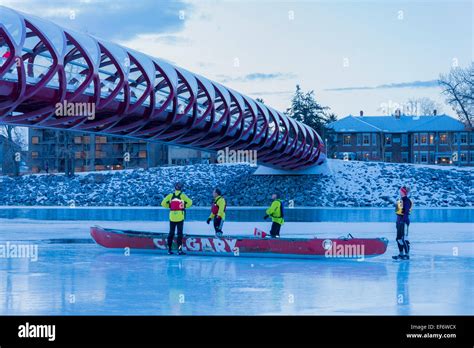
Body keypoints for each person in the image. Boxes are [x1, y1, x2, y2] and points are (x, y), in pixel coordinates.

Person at [161, 182, 192, 255]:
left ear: (174, 188)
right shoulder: (183, 196)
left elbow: (163, 203)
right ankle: (179, 250)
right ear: (181, 188)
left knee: (171, 233)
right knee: (179, 234)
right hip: (180, 217)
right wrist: (183, 206)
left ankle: (169, 250)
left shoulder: (170, 195)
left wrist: (170, 206)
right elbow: (190, 203)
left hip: (172, 217)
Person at [392, 186, 413, 260]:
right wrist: (398, 222)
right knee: (398, 238)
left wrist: (403, 221)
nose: (400, 192)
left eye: (401, 191)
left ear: (404, 192)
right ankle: (401, 254)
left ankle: (407, 255)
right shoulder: (400, 200)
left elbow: (406, 213)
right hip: (399, 222)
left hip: (404, 222)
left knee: (404, 239)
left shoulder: (407, 201)